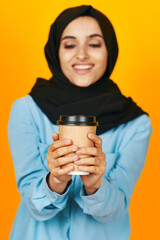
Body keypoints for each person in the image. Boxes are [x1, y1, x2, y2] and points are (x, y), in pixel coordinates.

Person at [8, 5, 152, 240]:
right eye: (69, 44)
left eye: (94, 44)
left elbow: (116, 209)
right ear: (56, 51)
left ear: (110, 50)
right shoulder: (26, 110)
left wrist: (96, 185)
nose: (82, 55)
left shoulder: (135, 123)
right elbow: (33, 206)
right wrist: (55, 181)